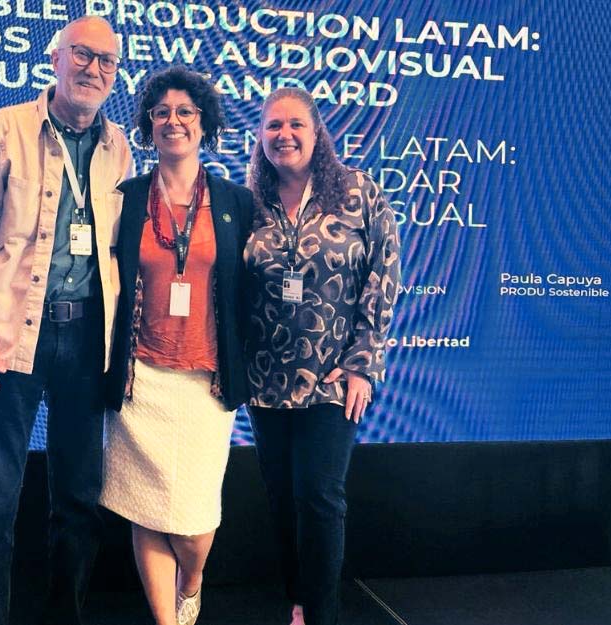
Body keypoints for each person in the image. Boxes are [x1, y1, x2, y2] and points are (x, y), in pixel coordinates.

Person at [0, 16, 133, 625]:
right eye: (82, 54)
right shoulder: (4, 130)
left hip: (89, 340)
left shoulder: (118, 146)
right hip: (8, 338)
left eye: (106, 60)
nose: (93, 69)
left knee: (79, 501)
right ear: (55, 59)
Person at [100, 67, 253, 625]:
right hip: (141, 378)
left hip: (206, 381)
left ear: (204, 122)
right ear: (148, 125)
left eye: (185, 111)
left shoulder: (236, 202)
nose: (173, 121)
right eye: (161, 112)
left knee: (193, 521)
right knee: (145, 510)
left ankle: (193, 579)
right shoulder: (127, 198)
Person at [244, 87, 401, 625]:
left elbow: (383, 275)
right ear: (260, 136)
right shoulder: (249, 204)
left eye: (295, 125)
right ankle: (298, 601)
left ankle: (321, 614)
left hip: (332, 378)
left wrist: (363, 363)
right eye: (273, 126)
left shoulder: (358, 192)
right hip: (265, 379)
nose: (283, 135)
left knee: (319, 495)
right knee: (282, 497)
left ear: (317, 133)